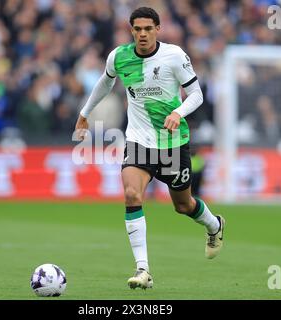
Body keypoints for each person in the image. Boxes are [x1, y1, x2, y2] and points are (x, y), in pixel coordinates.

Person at [74, 7, 225, 290]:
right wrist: (85, 113)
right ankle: (143, 270)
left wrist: (178, 113)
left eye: (147, 28)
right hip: (139, 140)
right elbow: (104, 84)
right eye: (137, 29)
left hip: (172, 142)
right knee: (132, 194)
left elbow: (197, 94)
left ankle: (214, 225)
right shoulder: (119, 57)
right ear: (131, 30)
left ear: (158, 29)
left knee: (184, 205)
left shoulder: (174, 56)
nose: (142, 34)